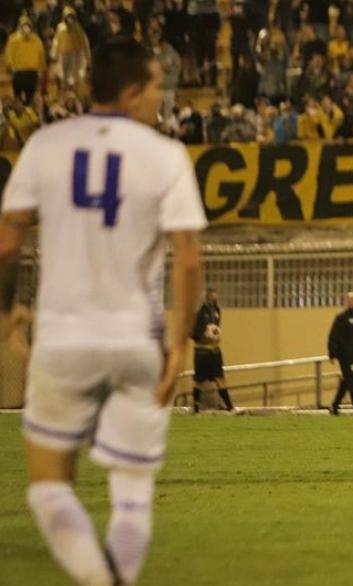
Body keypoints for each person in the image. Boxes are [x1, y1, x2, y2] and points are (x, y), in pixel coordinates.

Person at [0, 38, 206, 586]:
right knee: (133, 497)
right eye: (158, 86)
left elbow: (7, 240)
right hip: (134, 340)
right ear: (133, 92)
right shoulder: (165, 155)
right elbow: (187, 260)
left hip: (62, 339)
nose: (162, 97)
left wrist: (5, 310)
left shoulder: (45, 145)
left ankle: (97, 580)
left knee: (47, 488)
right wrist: (179, 341)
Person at [192, 288, 235, 412]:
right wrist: (203, 336)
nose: (214, 298)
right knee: (199, 380)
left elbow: (216, 328)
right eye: (211, 296)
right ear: (206, 297)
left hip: (214, 352)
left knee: (220, 378)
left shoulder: (216, 311)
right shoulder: (200, 313)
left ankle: (230, 407)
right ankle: (195, 407)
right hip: (202, 352)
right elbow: (193, 333)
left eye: (215, 296)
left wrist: (215, 336)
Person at [6, 16, 46, 105]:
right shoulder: (13, 39)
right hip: (18, 72)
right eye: (24, 25)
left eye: (28, 25)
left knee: (30, 97)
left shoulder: (36, 40)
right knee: (17, 98)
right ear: (20, 26)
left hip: (32, 72)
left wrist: (41, 68)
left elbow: (41, 55)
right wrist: (11, 67)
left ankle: (29, 115)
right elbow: (9, 54)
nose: (26, 28)